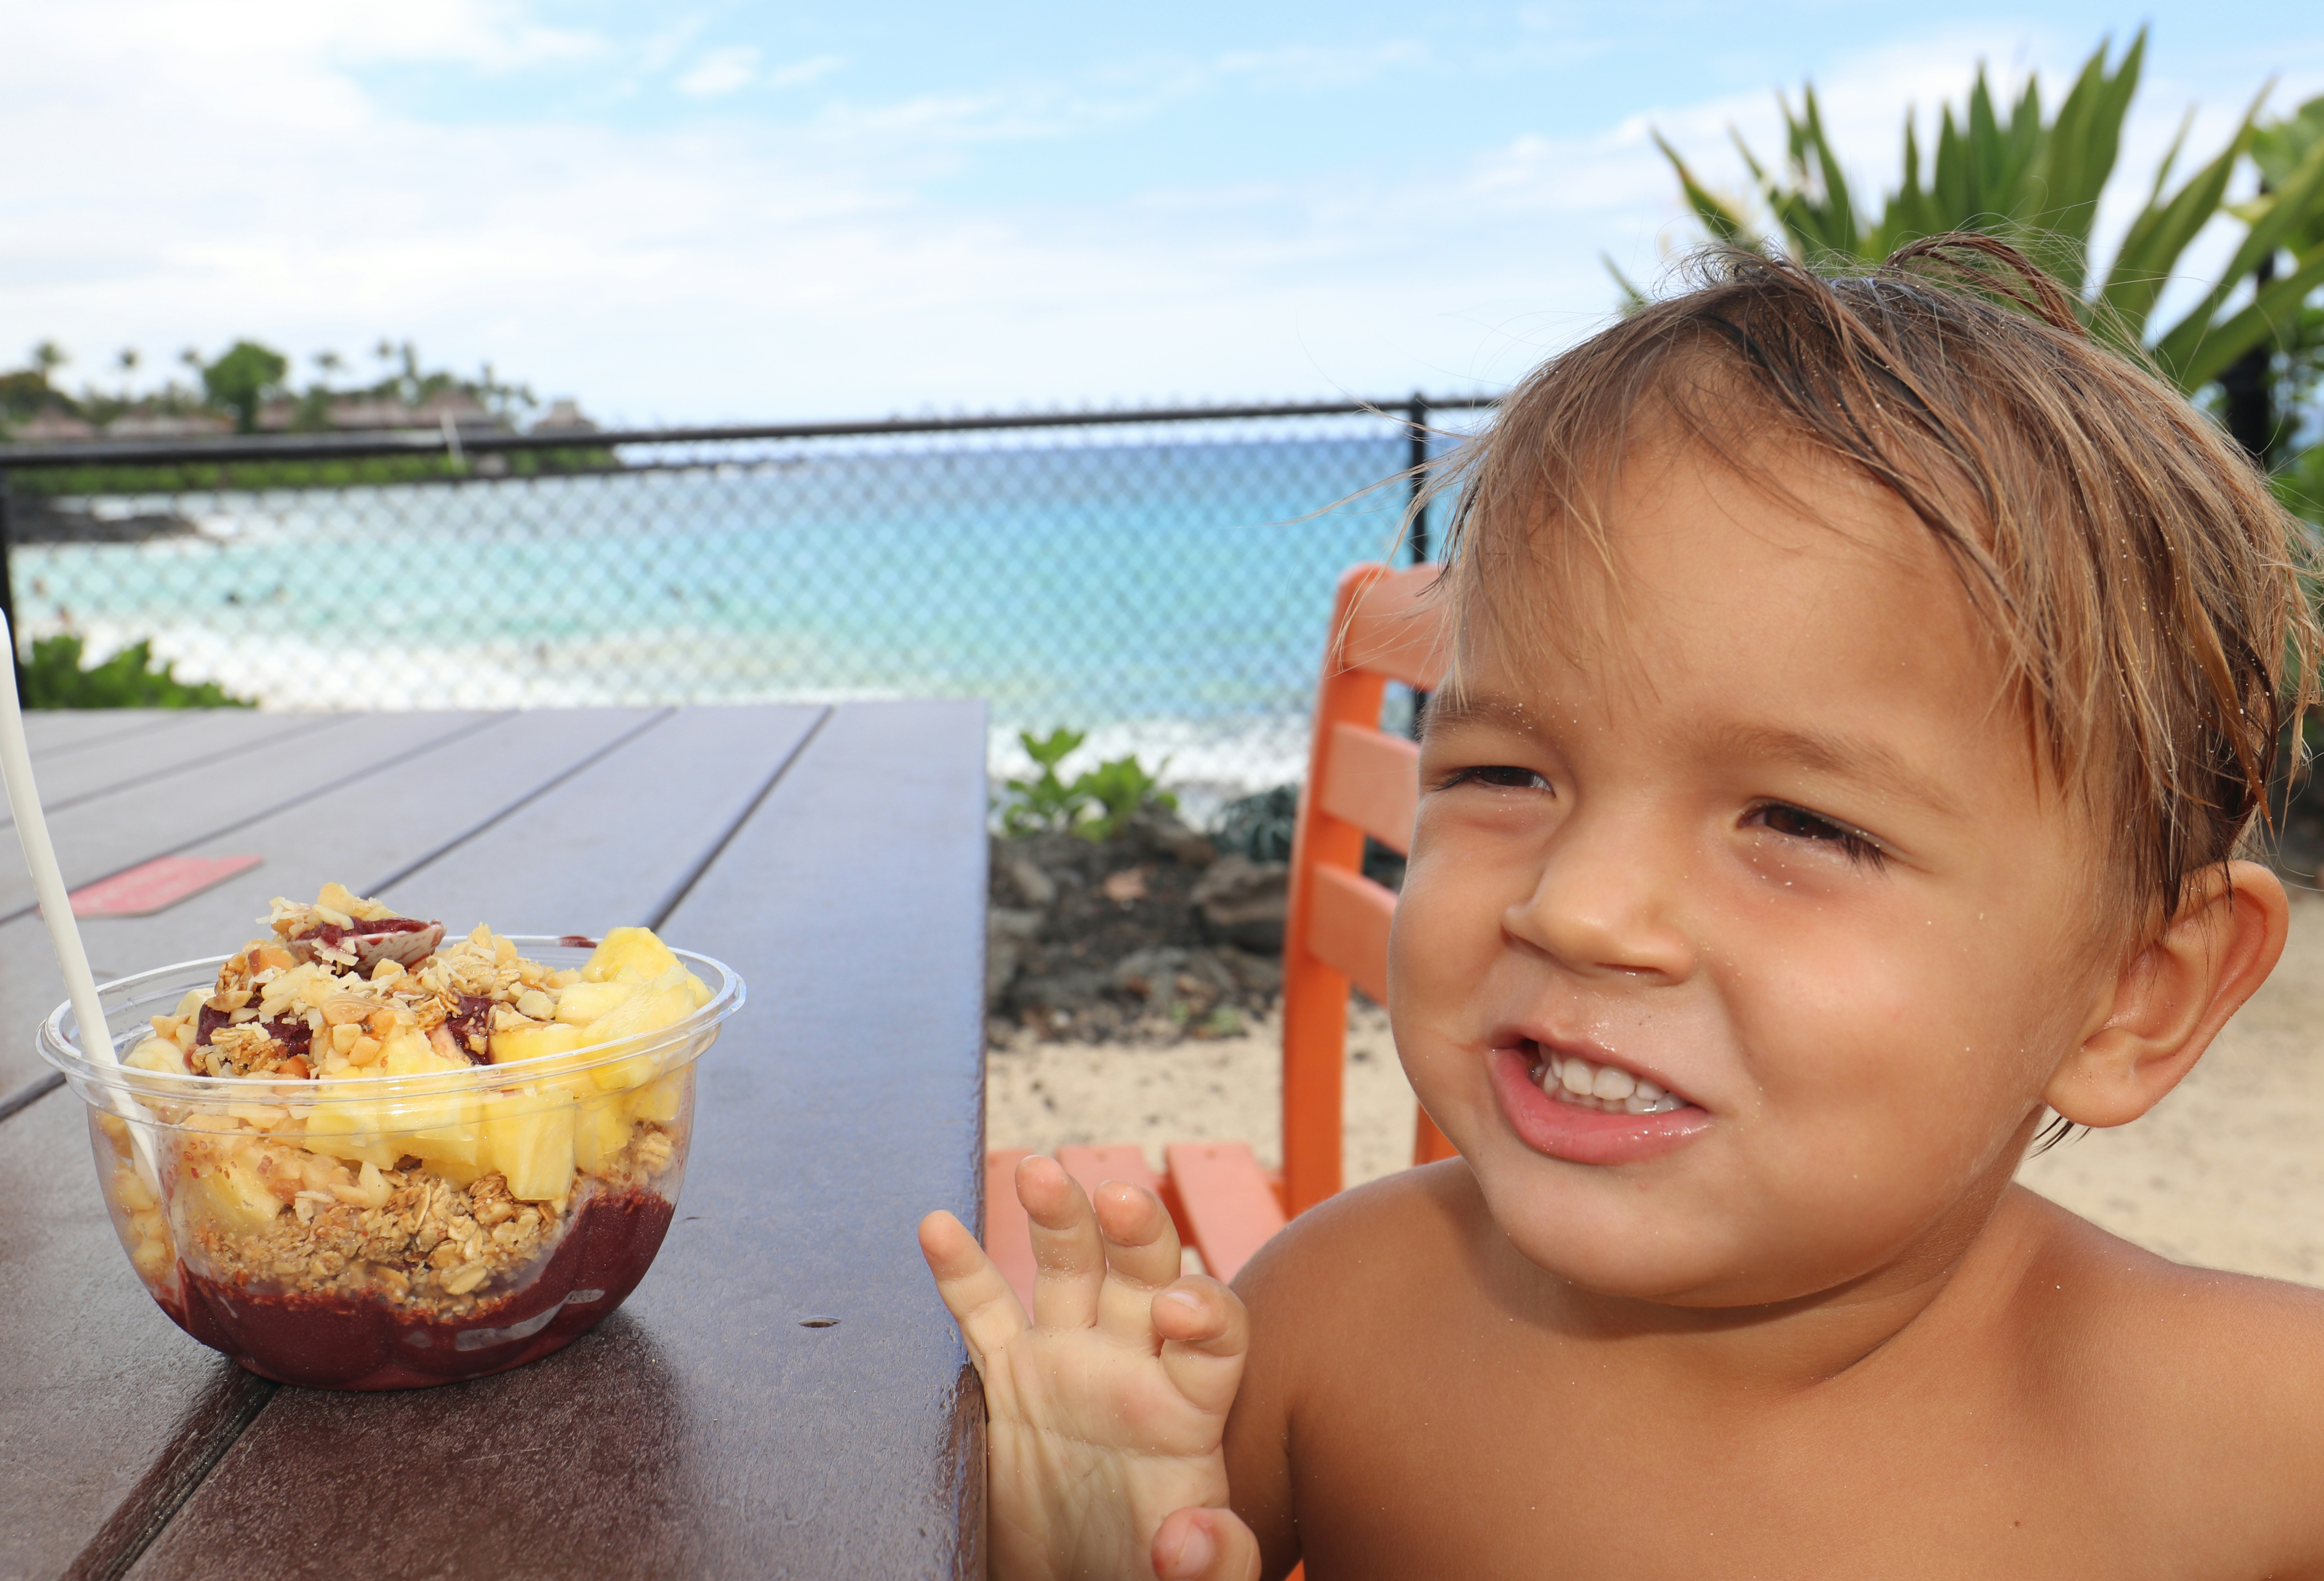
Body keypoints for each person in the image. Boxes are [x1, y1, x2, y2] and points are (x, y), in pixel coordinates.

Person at [920, 236, 2324, 1580]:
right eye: (1505, 774)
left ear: (2136, 996)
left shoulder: (2260, 1442)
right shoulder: (1331, 1320)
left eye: (1800, 823)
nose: (1578, 908)